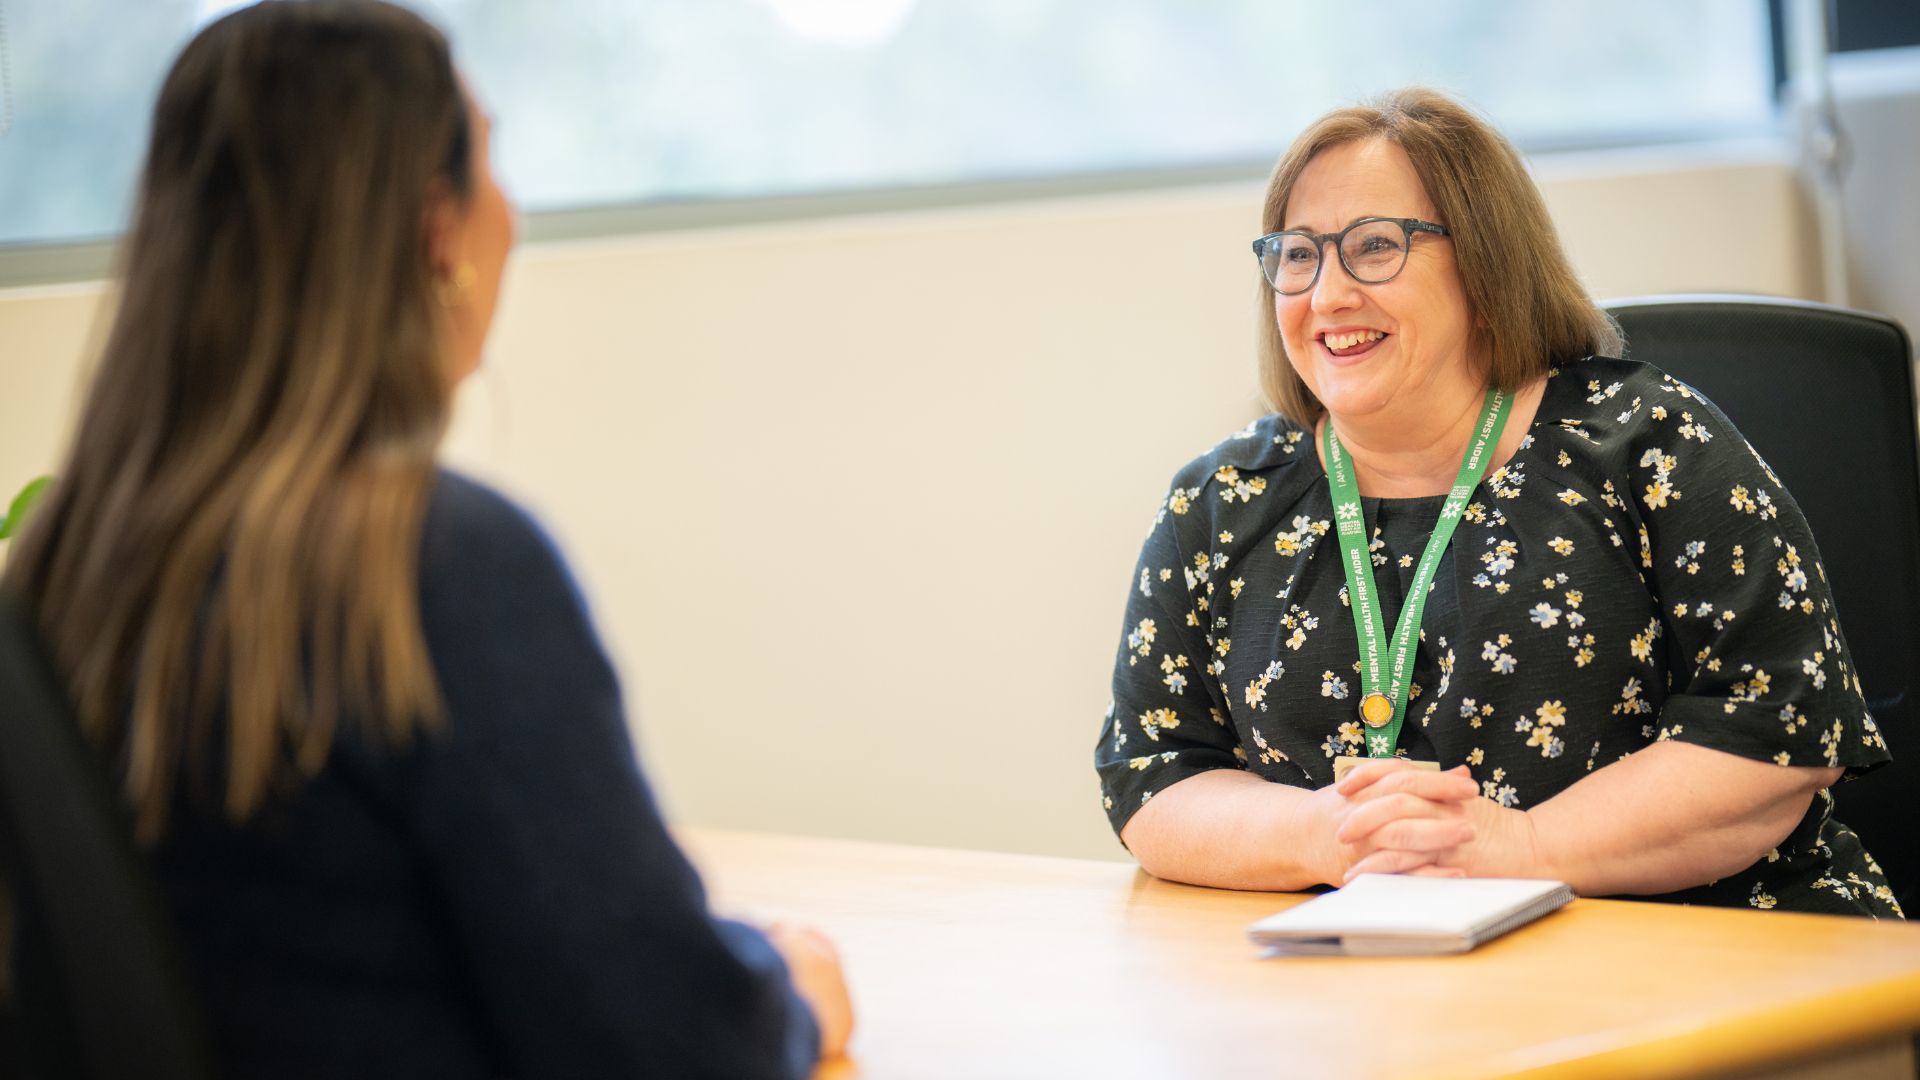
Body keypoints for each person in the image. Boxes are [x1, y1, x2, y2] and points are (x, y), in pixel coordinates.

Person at [2, 2, 852, 1075]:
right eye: (490, 166)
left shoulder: (72, 565)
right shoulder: (440, 570)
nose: (513, 215)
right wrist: (786, 992)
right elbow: (670, 1042)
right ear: (435, 230)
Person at [1094, 87, 1898, 918]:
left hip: (1705, 949)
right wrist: (1325, 834)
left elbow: (1778, 729)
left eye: (1374, 247)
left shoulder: (1650, 446)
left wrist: (1515, 849)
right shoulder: (1221, 501)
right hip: (1360, 989)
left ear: (1484, 261)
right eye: (1299, 254)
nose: (1326, 295)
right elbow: (1152, 773)